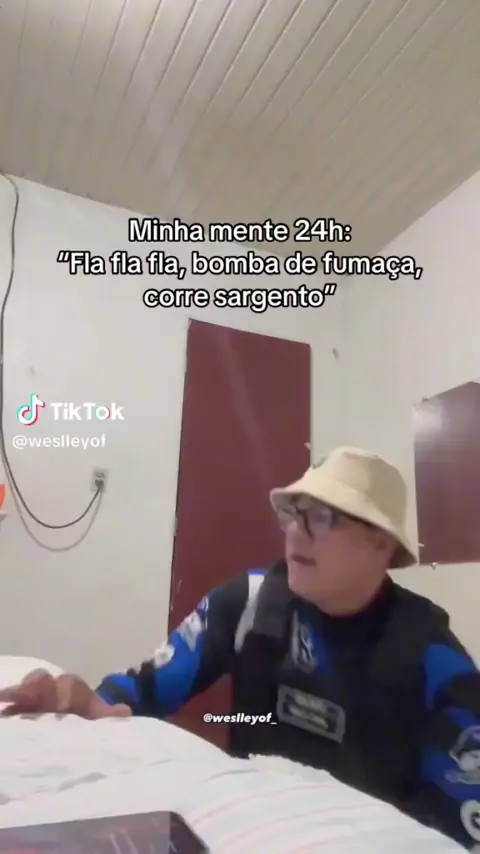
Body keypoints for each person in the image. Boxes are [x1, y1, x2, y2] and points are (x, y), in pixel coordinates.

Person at [1, 446, 480, 850]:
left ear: (381, 544)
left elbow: (462, 827)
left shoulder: (434, 659)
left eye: (322, 517)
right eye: (293, 513)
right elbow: (143, 691)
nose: (295, 532)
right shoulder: (249, 603)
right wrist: (82, 701)